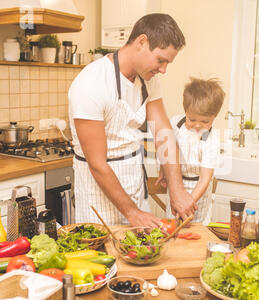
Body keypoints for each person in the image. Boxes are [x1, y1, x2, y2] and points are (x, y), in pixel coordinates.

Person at [68, 13, 197, 229]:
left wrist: (177, 189)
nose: (163, 70)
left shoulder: (148, 80)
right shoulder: (90, 84)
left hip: (134, 181)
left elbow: (163, 131)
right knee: (104, 259)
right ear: (141, 42)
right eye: (161, 60)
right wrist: (132, 212)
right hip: (98, 191)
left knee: (143, 255)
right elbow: (98, 164)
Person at [156, 77, 225, 225]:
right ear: (185, 111)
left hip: (198, 192)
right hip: (176, 184)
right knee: (172, 227)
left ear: (215, 116)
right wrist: (163, 169)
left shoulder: (211, 138)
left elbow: (205, 179)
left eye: (205, 121)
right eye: (192, 119)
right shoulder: (176, 122)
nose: (198, 126)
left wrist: (188, 202)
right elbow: (166, 148)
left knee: (195, 229)